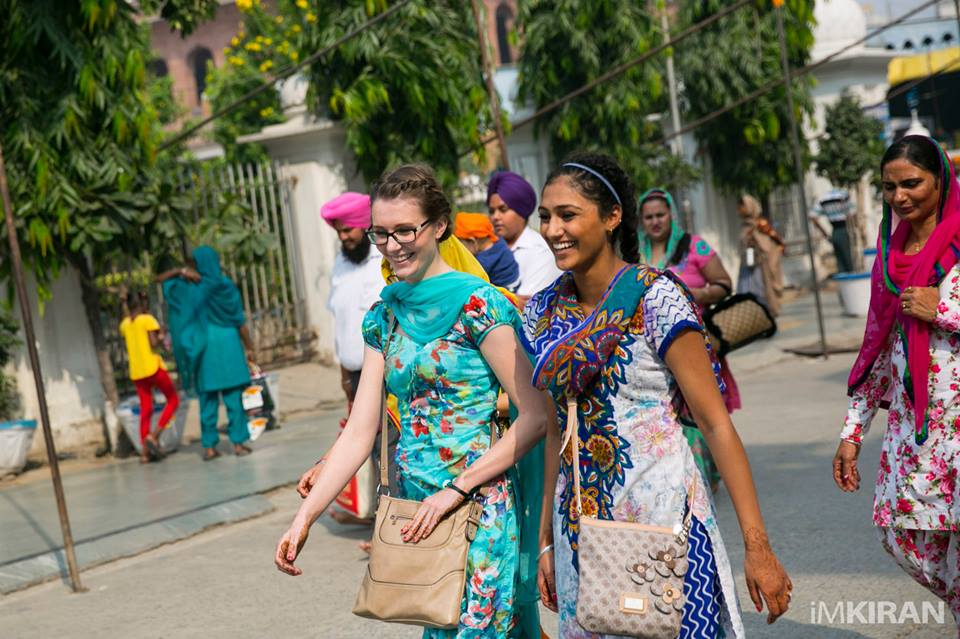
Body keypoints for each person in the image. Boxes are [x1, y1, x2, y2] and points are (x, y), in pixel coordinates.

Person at [275, 164, 549, 638]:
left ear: (439, 226)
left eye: (406, 230)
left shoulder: (479, 306)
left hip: (478, 509)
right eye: (380, 234)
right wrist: (304, 519)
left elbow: (536, 416)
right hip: (416, 512)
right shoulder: (385, 317)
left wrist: (458, 487)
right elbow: (362, 430)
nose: (392, 245)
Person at [526, 153, 792, 638]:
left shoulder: (655, 298)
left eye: (568, 214)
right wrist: (544, 540)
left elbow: (715, 424)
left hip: (663, 523)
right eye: (545, 215)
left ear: (611, 218)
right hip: (579, 535)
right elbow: (553, 436)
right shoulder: (542, 314)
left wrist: (757, 547)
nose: (552, 229)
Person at [834, 135, 960, 630]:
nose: (900, 197)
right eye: (890, 187)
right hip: (916, 426)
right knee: (903, 537)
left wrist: (944, 310)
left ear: (940, 181)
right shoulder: (888, 256)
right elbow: (878, 347)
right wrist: (851, 431)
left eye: (912, 184)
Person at [639, 188, 739, 493]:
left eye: (660, 215)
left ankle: (710, 473)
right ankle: (681, 476)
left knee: (702, 408)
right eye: (649, 217)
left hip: (694, 342)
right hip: (651, 349)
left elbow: (724, 284)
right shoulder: (634, 251)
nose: (655, 222)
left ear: (671, 215)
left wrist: (693, 293)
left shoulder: (694, 247)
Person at [180, 246, 256, 461]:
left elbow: (183, 314)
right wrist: (250, 347)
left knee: (208, 402)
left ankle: (210, 447)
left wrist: (184, 272)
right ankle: (239, 443)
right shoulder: (226, 286)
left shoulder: (194, 288)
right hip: (230, 344)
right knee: (234, 400)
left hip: (206, 348)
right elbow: (240, 322)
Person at [119, 290, 180, 463]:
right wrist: (161, 335)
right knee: (173, 400)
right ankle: (154, 436)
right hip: (152, 368)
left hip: (137, 372)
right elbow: (154, 343)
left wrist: (124, 303)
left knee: (146, 409)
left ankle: (145, 453)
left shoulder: (125, 324)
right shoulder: (148, 320)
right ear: (143, 303)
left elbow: (128, 318)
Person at [487, 170, 562, 302]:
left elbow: (525, 307)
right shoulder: (489, 249)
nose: (495, 217)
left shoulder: (541, 251)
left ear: (521, 210)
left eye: (503, 209)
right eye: (492, 211)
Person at [736, 194, 785, 316]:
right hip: (747, 266)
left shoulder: (761, 225)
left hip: (761, 267)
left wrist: (755, 241)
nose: (740, 209)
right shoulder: (745, 225)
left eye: (743, 206)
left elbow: (771, 244)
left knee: (762, 293)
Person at [454, 211, 520, 289]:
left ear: (472, 241)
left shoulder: (482, 262)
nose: (459, 248)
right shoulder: (499, 242)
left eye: (460, 243)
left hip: (506, 291)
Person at [810, 189, 855, 274]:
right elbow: (852, 211)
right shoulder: (842, 195)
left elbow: (813, 216)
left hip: (834, 232)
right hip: (843, 229)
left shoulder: (823, 199)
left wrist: (824, 233)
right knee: (847, 260)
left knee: (840, 261)